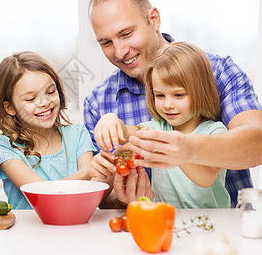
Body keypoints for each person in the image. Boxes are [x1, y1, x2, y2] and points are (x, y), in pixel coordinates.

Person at [84, 0, 262, 207]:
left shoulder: (217, 72)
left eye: (127, 34)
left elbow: (257, 142)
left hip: (225, 231)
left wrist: (188, 148)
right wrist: (122, 200)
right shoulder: (98, 102)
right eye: (106, 42)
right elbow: (98, 196)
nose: (119, 52)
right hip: (152, 227)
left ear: (154, 19)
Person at [91, 41, 230, 208]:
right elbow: (127, 132)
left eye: (178, 95)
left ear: (201, 91)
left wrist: (172, 147)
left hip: (207, 223)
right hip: (164, 220)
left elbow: (205, 178)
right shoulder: (157, 128)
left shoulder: (215, 131)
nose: (168, 105)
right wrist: (110, 119)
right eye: (160, 95)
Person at [0, 51, 96, 209]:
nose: (45, 102)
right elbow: (42, 194)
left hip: (75, 227)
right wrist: (88, 172)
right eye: (31, 99)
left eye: (51, 92)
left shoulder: (78, 134)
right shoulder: (3, 147)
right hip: (27, 232)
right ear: (10, 107)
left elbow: (90, 193)